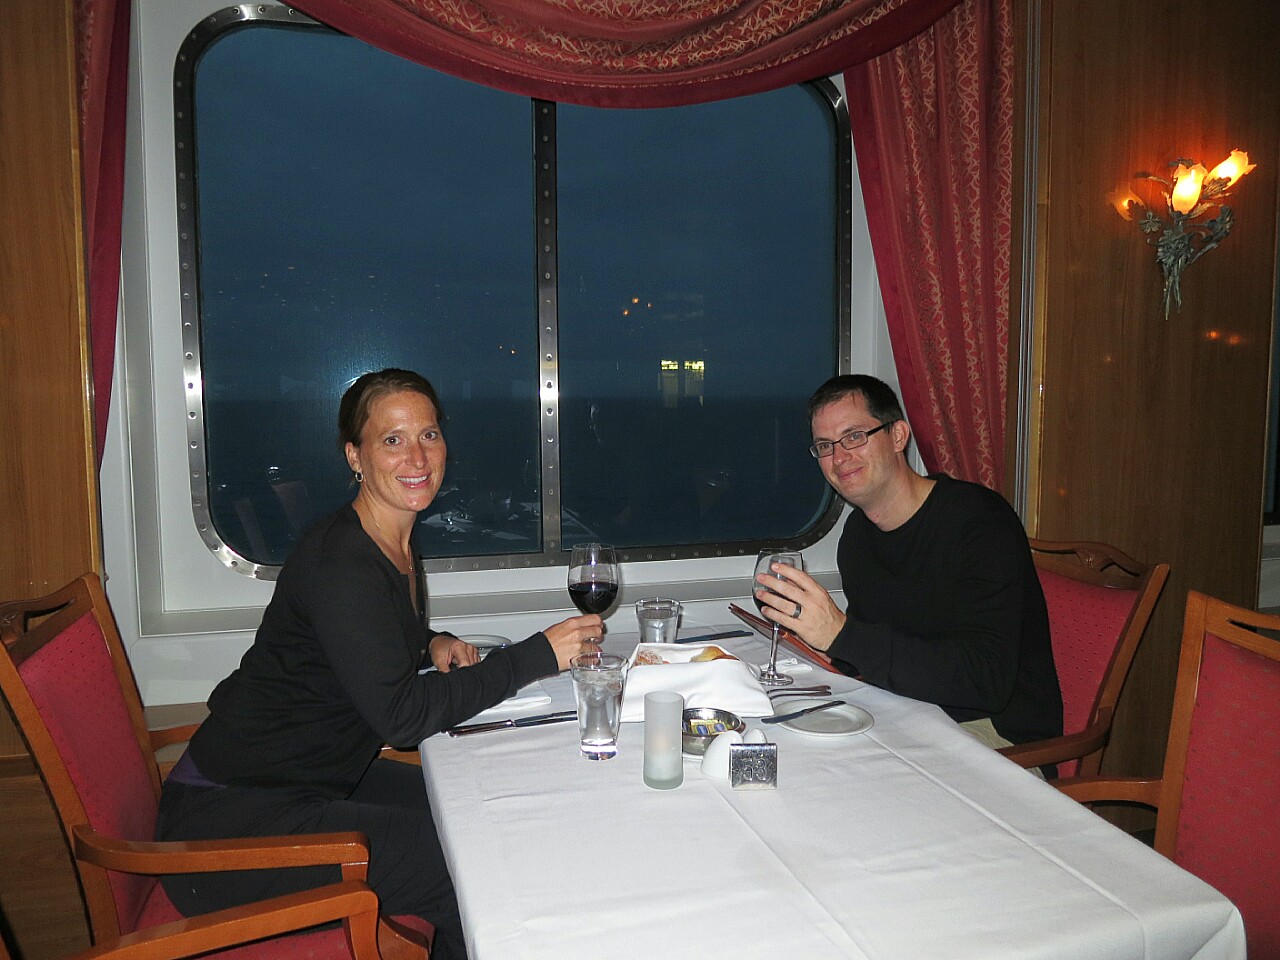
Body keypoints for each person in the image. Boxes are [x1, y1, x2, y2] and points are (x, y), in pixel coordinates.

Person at [156, 369, 602, 960]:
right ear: (355, 456)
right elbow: (401, 719)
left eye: (429, 435)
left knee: (479, 806)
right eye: (393, 440)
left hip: (308, 780)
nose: (417, 456)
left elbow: (360, 639)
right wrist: (536, 655)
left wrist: (429, 642)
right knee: (471, 864)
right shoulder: (341, 562)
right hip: (227, 830)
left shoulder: (390, 542)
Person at [754, 374, 1062, 755]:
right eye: (825, 446)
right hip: (907, 710)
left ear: (898, 436)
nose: (839, 458)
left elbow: (986, 682)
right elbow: (876, 653)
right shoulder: (858, 536)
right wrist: (820, 646)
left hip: (997, 735)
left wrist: (841, 634)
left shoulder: (979, 523)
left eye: (854, 437)